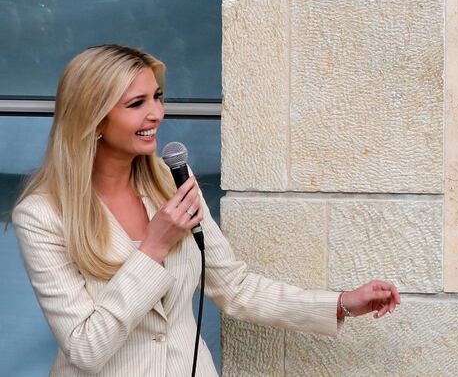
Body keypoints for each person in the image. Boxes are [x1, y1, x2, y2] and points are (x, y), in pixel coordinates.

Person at [12, 44, 400, 376]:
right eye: (137, 104)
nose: (157, 114)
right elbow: (85, 348)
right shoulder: (41, 216)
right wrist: (152, 249)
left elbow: (235, 287)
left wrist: (341, 303)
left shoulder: (171, 182)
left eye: (157, 97)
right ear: (92, 118)